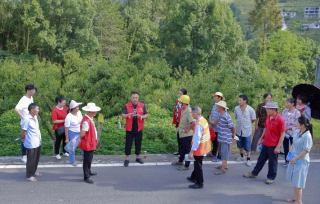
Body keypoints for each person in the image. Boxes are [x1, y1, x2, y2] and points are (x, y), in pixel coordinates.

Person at [243, 101, 285, 184]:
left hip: (274, 145)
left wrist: (278, 146)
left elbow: (282, 134)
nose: (267, 110)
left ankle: (271, 177)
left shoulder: (280, 120)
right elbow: (266, 128)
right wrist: (261, 138)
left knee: (272, 162)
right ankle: (254, 173)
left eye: (268, 109)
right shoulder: (268, 117)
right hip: (266, 143)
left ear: (274, 109)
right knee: (261, 159)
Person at [285, 116, 313, 204]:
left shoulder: (307, 136)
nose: (296, 124)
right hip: (294, 158)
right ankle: (295, 197)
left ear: (302, 125)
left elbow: (305, 151)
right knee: (294, 178)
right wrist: (289, 154)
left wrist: (295, 158)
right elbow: (293, 144)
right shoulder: (297, 132)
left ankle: (299, 201)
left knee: (299, 181)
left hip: (301, 161)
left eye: (297, 123)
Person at [122, 91, 149, 167]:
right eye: (133, 98)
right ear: (131, 98)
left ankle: (138, 157)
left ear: (138, 98)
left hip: (139, 128)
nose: (135, 99)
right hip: (129, 129)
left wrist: (142, 116)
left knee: (138, 143)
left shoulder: (142, 105)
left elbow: (147, 115)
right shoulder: (127, 105)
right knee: (128, 144)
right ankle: (127, 159)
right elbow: (123, 115)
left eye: (136, 98)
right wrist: (127, 115)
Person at [187, 106, 211, 189]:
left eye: (192, 114)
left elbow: (197, 140)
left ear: (195, 114)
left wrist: (191, 151)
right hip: (204, 147)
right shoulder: (203, 120)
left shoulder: (198, 125)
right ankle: (193, 177)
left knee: (198, 165)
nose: (191, 115)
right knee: (197, 163)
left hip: (199, 149)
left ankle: (200, 183)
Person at [79, 103, 101, 184]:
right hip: (88, 143)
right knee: (87, 160)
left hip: (90, 142)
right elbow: (83, 133)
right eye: (94, 111)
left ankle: (88, 171)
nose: (95, 113)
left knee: (89, 159)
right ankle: (86, 176)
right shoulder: (86, 121)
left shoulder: (88, 118)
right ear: (89, 111)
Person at [171, 95, 195, 170]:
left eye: (181, 102)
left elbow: (193, 122)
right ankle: (181, 160)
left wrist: (188, 129)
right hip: (181, 133)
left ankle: (187, 165)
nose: (180, 104)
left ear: (184, 103)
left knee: (186, 150)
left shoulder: (189, 111)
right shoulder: (183, 109)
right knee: (181, 148)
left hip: (186, 135)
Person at [15, 83, 36, 163]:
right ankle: (24, 155)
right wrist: (23, 118)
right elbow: (16, 109)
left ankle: (30, 154)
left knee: (31, 138)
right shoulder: (23, 99)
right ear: (28, 91)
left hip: (32, 122)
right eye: (32, 90)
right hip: (26, 123)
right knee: (24, 138)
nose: (34, 91)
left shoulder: (31, 98)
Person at [21, 103, 42, 182]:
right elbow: (23, 131)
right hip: (31, 142)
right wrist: (23, 138)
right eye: (37, 109)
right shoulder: (26, 119)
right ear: (32, 110)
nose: (38, 110)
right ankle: (29, 175)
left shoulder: (35, 117)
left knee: (36, 158)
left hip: (37, 141)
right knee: (31, 159)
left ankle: (34, 171)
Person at [234, 94, 256, 167]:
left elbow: (253, 119)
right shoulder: (236, 108)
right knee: (239, 144)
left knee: (247, 144)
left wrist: (247, 124)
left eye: (240, 100)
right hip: (238, 129)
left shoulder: (250, 109)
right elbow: (236, 117)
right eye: (239, 100)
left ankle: (248, 159)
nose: (239, 101)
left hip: (247, 130)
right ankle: (241, 156)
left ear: (245, 101)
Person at [214, 101, 235, 175]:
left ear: (221, 108)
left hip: (225, 138)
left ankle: (223, 169)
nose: (216, 107)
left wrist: (233, 134)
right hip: (222, 137)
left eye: (217, 106)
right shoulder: (221, 115)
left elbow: (232, 126)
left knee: (224, 152)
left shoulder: (226, 116)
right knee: (223, 152)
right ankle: (224, 165)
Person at [281, 98, 300, 167]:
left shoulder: (297, 112)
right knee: (285, 147)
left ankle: (293, 160)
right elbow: (282, 120)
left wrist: (288, 127)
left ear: (292, 104)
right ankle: (286, 161)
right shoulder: (284, 111)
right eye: (286, 103)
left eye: (288, 103)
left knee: (293, 146)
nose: (286, 104)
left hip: (293, 132)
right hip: (285, 132)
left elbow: (296, 123)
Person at [64, 100, 83, 167]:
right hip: (72, 132)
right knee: (72, 147)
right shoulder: (68, 117)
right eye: (77, 107)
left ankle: (84, 157)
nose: (78, 108)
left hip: (80, 131)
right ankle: (72, 160)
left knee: (82, 145)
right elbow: (66, 128)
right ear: (73, 108)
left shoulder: (79, 113)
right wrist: (67, 138)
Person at [207, 92, 225, 162]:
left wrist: (214, 123)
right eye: (214, 97)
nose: (214, 98)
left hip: (219, 127)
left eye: (215, 97)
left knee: (219, 141)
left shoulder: (222, 105)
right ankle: (213, 153)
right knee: (214, 140)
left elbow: (220, 116)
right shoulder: (214, 105)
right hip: (213, 126)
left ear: (219, 98)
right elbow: (211, 114)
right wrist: (210, 121)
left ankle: (219, 156)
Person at [172, 88, 187, 155]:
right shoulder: (178, 101)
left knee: (183, 137)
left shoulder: (186, 102)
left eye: (180, 94)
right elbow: (176, 112)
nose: (179, 95)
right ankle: (179, 150)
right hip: (178, 122)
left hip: (183, 123)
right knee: (178, 136)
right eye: (178, 93)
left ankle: (183, 152)